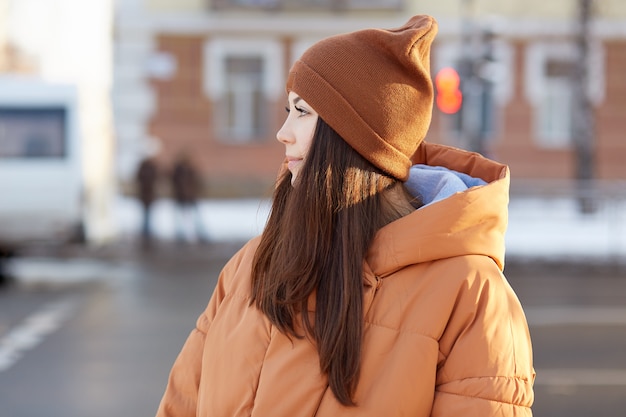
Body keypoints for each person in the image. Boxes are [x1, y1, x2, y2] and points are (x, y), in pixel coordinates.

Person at [156, 15, 535, 416]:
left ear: (352, 139)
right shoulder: (251, 265)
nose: (283, 132)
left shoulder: (469, 293)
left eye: (302, 113)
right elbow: (181, 403)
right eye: (288, 110)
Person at [170, 154, 207, 243]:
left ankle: (200, 233)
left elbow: (196, 182)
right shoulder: (180, 170)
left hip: (189, 196)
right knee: (182, 216)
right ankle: (181, 234)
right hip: (183, 196)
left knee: (194, 216)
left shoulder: (187, 170)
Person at [135, 156, 159, 246]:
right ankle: (146, 231)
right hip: (147, 194)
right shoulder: (149, 168)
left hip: (146, 194)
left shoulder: (144, 168)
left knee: (147, 214)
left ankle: (146, 231)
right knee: (146, 214)